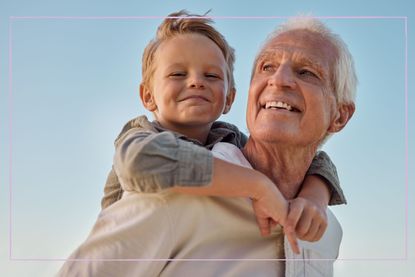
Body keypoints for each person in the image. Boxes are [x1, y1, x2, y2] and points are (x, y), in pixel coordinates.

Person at [58, 15, 356, 277]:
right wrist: (258, 186)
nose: (278, 80)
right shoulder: (171, 184)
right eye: (267, 67)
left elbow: (318, 161)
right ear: (148, 96)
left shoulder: (327, 231)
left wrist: (317, 194)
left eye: (307, 72)